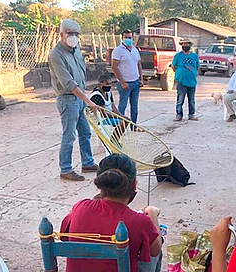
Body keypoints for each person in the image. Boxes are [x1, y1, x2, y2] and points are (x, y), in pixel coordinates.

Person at [61, 154, 163, 272]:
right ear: (134, 184)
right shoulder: (140, 221)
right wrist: (152, 213)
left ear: (101, 185)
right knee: (155, 238)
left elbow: (65, 237)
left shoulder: (80, 207)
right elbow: (155, 250)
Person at [48, 19, 98, 181]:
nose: (73, 37)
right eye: (70, 33)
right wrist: (87, 100)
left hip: (80, 97)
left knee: (85, 132)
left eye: (76, 34)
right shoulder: (56, 54)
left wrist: (85, 97)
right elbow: (68, 83)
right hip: (68, 99)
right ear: (62, 34)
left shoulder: (76, 51)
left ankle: (87, 162)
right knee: (69, 135)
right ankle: (66, 169)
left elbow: (81, 75)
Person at [111, 29, 143, 125]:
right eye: (126, 37)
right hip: (125, 83)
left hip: (135, 82)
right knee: (122, 106)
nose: (128, 39)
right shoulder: (118, 51)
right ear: (122, 38)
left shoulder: (135, 50)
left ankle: (134, 125)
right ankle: (119, 126)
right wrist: (122, 82)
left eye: (130, 37)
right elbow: (114, 67)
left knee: (134, 106)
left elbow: (139, 65)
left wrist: (141, 78)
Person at [89, 74, 130, 143]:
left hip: (108, 116)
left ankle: (115, 139)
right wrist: (119, 117)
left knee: (126, 120)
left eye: (110, 84)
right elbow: (103, 113)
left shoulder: (108, 93)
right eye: (107, 84)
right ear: (100, 84)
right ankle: (114, 141)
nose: (109, 86)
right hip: (100, 119)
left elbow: (113, 106)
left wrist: (121, 115)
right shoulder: (96, 96)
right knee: (123, 122)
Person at [172, 38, 200, 121]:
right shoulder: (178, 56)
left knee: (191, 100)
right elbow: (173, 66)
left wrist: (194, 74)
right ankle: (179, 115)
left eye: (187, 44)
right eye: (183, 44)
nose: (185, 46)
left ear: (190, 45)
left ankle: (191, 114)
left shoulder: (194, 56)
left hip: (192, 82)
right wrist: (179, 74)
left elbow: (198, 66)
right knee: (180, 100)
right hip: (181, 81)